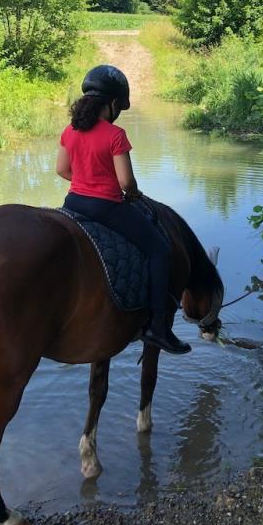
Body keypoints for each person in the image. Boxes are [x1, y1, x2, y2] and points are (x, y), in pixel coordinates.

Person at [56, 64, 191, 355]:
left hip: (73, 203)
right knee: (159, 250)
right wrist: (133, 194)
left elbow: (61, 169)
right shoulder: (115, 134)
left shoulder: (70, 130)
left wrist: (83, 181)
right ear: (114, 103)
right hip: (105, 207)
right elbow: (126, 181)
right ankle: (158, 327)